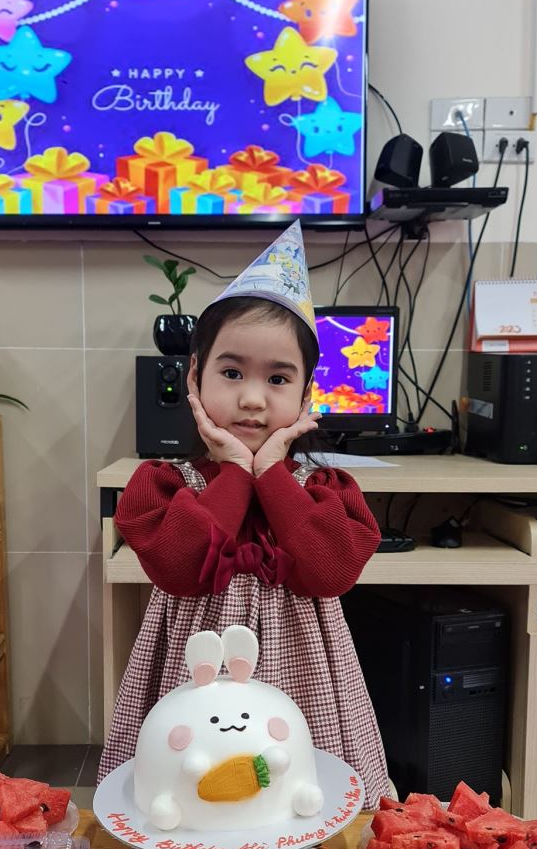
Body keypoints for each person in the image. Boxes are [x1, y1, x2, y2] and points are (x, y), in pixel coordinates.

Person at [97, 222, 389, 808]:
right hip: (192, 670)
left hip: (304, 673)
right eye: (232, 373)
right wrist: (234, 469)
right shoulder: (164, 484)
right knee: (185, 797)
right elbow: (180, 569)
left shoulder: (322, 488)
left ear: (306, 395)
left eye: (278, 379)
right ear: (195, 378)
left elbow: (330, 571)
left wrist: (272, 472)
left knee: (299, 797)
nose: (253, 398)